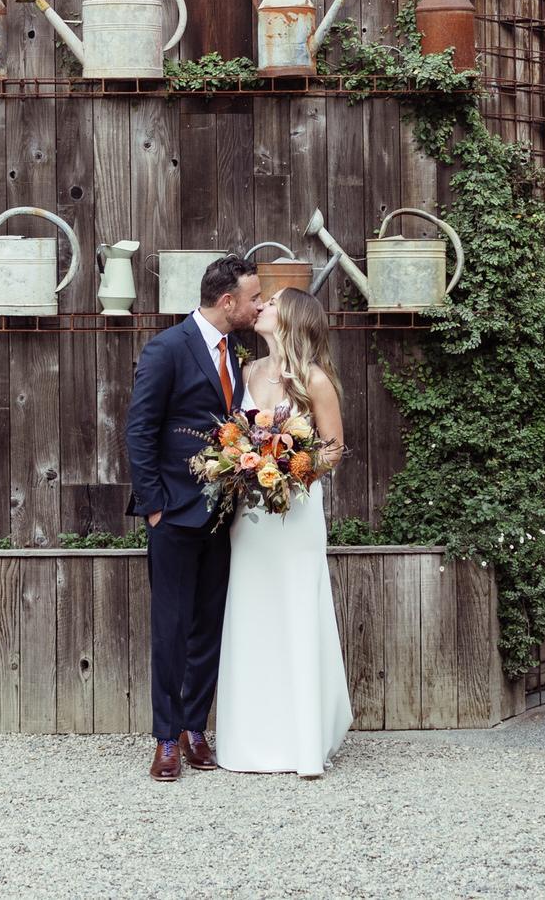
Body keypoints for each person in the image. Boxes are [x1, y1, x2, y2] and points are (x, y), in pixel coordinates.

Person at [124, 252, 261, 782]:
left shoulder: (235, 353)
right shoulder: (167, 348)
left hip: (221, 515)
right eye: (252, 298)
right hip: (175, 515)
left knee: (208, 627)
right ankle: (165, 738)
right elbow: (140, 430)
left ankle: (193, 728)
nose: (257, 306)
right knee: (172, 628)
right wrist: (155, 506)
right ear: (227, 301)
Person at [215, 288, 355, 778]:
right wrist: (246, 465)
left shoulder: (314, 379)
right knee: (252, 612)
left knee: (296, 609)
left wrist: (292, 471)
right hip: (252, 518)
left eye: (271, 303)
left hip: (296, 515)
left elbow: (333, 448)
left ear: (291, 318)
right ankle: (250, 741)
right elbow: (231, 435)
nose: (262, 307)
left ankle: (303, 743)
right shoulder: (246, 371)